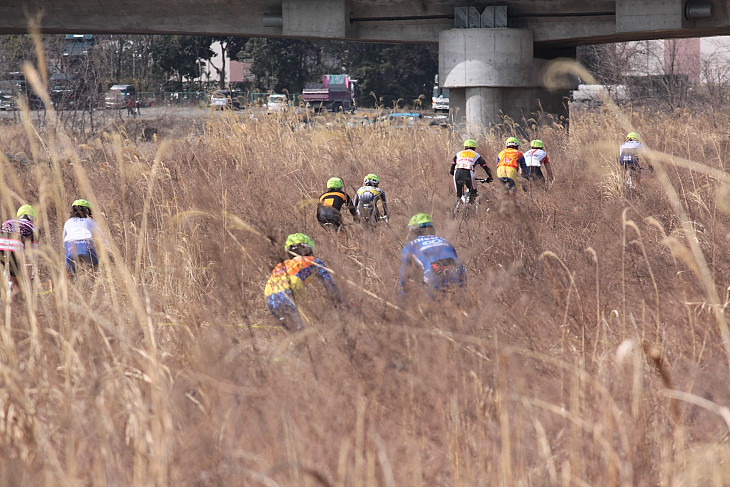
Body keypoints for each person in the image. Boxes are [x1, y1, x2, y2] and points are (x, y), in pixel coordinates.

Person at [264, 233, 346, 331]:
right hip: (288, 292)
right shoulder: (312, 261)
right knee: (303, 331)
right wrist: (344, 303)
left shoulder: (280, 266)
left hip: (269, 296)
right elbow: (329, 285)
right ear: (309, 249)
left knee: (293, 331)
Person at [399, 213, 466, 296]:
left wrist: (404, 291)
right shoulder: (445, 241)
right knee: (461, 301)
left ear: (414, 231)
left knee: (433, 306)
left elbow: (404, 272)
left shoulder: (411, 245)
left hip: (434, 273)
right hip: (459, 272)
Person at [0, 204, 39, 291]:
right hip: (15, 248)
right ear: (32, 218)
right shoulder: (34, 228)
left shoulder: (6, 222)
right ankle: (12, 300)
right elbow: (34, 254)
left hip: (1, 245)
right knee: (16, 282)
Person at [62, 199, 102, 276]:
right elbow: (100, 236)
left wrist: (65, 249)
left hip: (71, 246)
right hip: (86, 245)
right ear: (87, 210)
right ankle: (92, 283)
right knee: (94, 266)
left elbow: (63, 241)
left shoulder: (68, 222)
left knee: (69, 272)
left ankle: (68, 286)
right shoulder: (90, 221)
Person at [449, 139, 493, 208]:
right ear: (474, 148)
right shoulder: (477, 155)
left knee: (459, 195)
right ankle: (469, 210)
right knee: (473, 192)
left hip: (457, 172)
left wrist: (453, 173)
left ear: (464, 147)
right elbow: (485, 167)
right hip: (468, 172)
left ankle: (454, 211)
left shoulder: (458, 154)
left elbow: (451, 171)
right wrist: (490, 176)